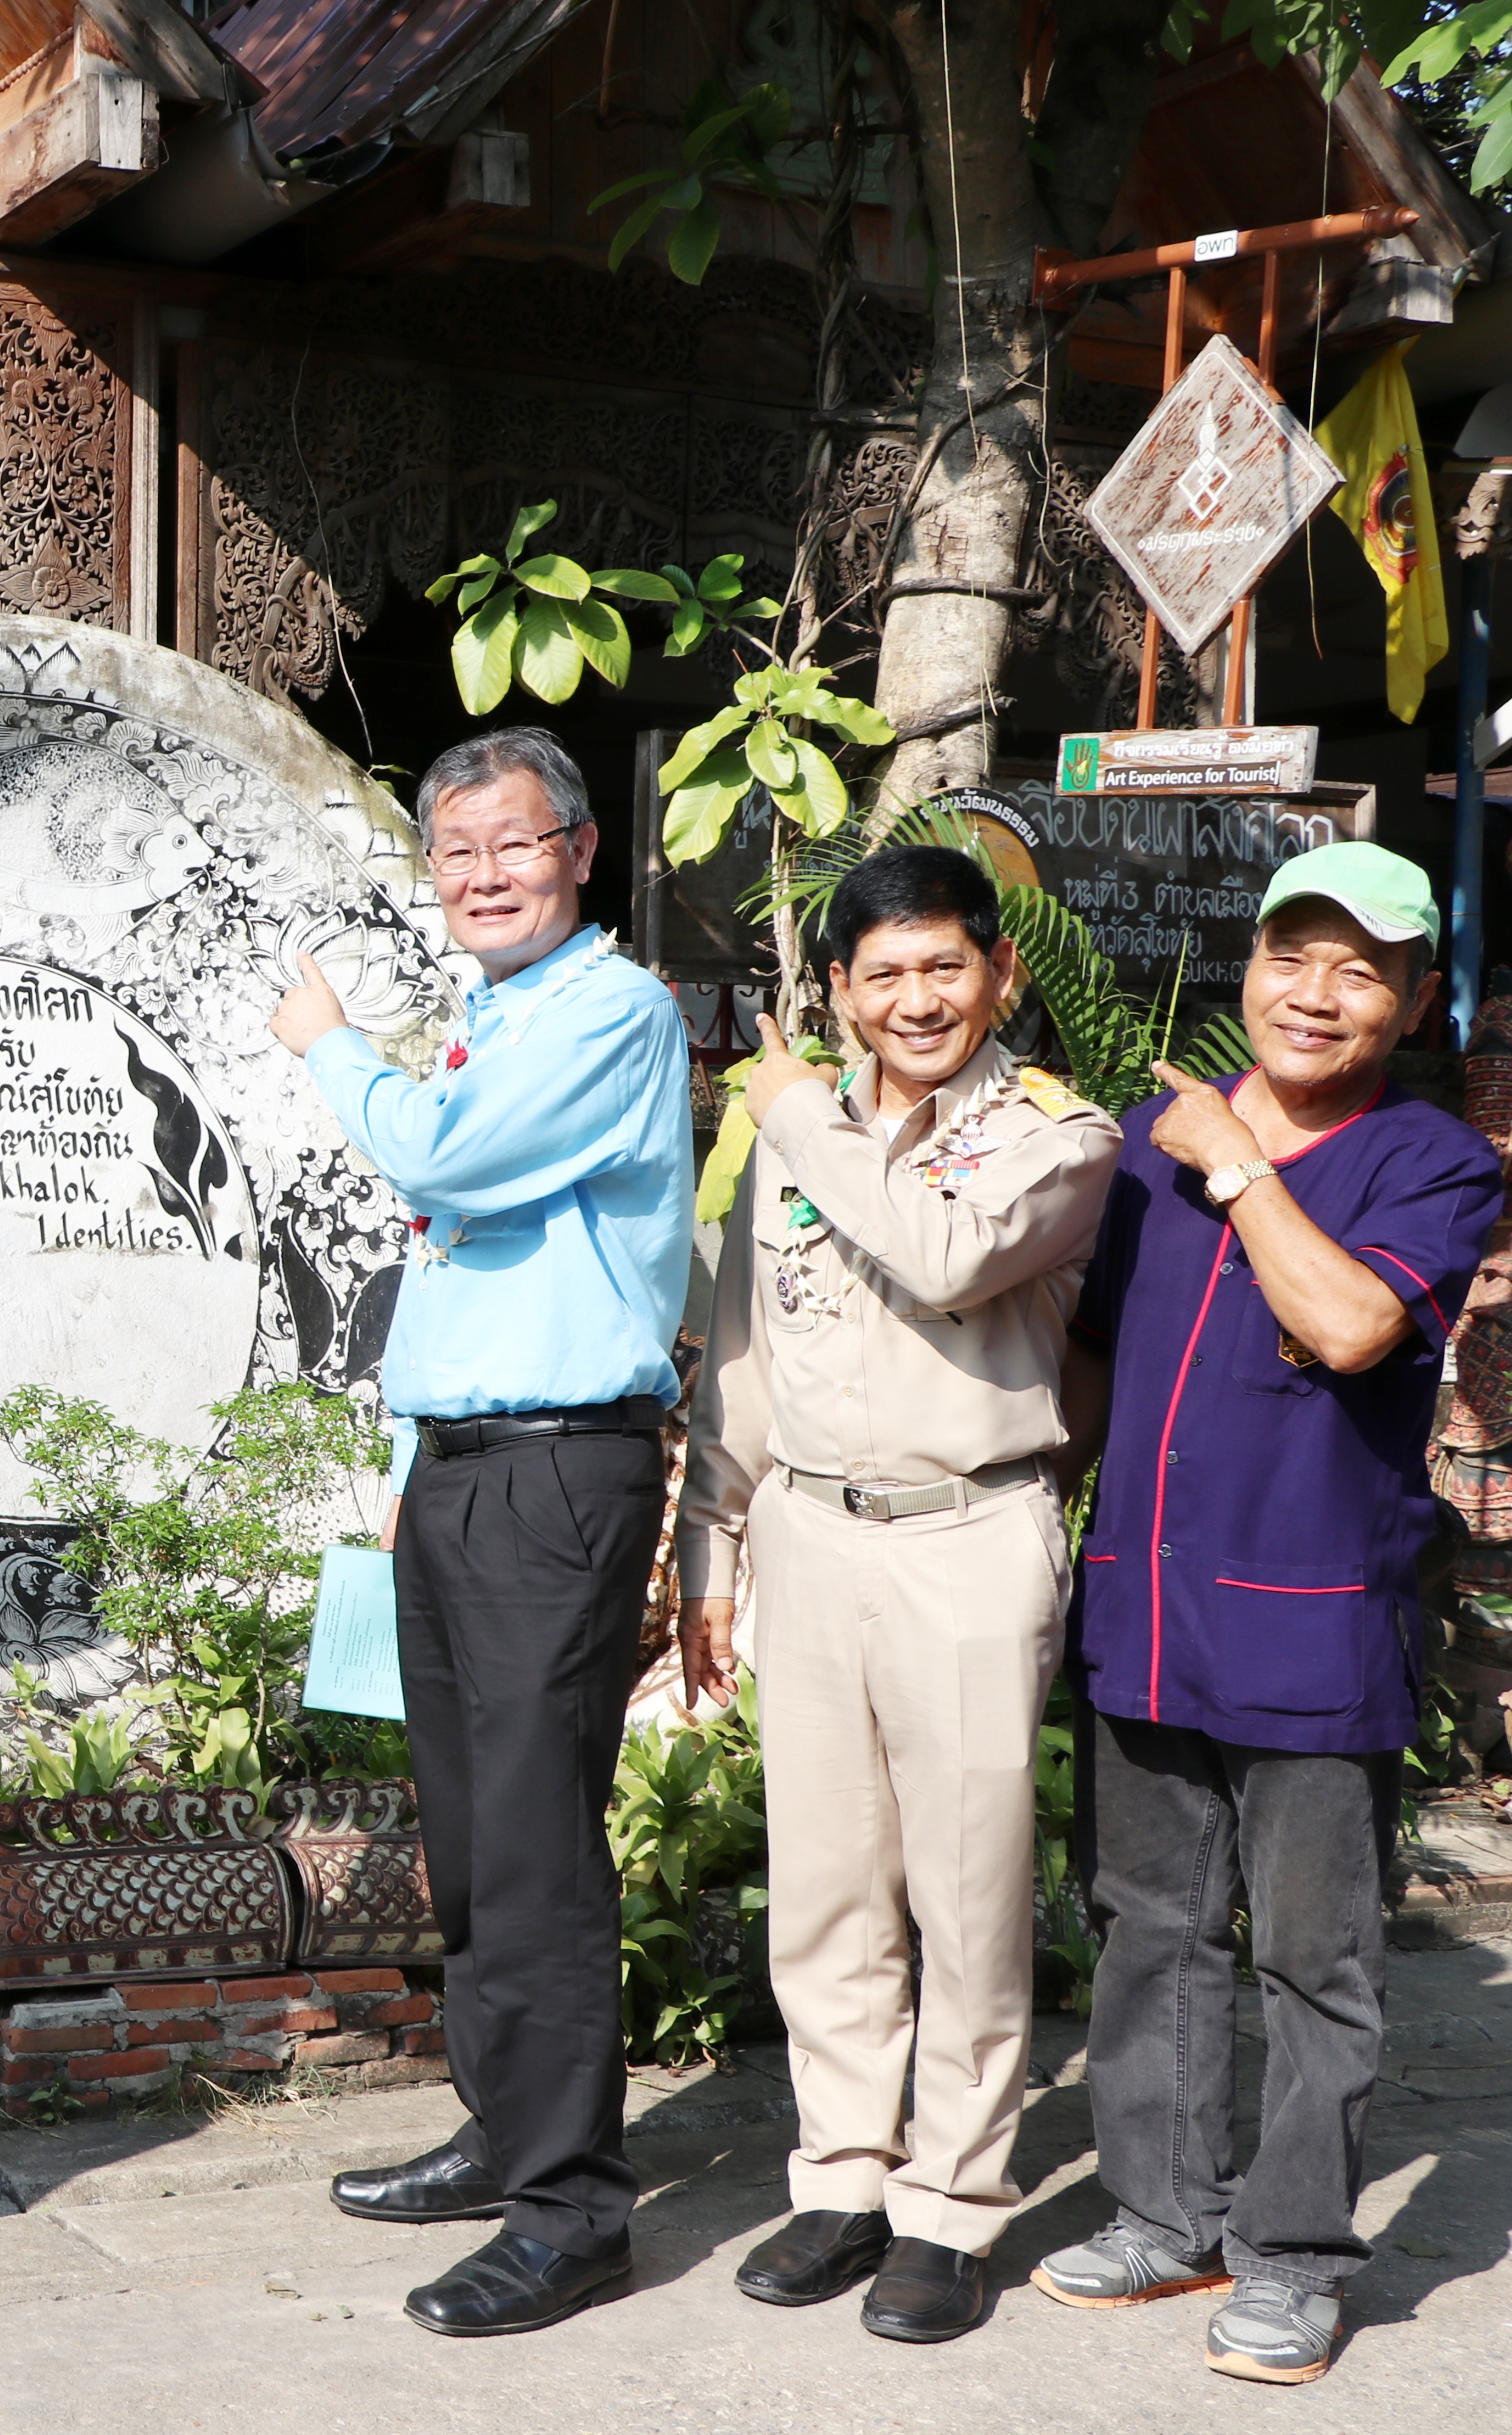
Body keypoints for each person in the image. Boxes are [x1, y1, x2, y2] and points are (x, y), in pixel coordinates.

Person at [1038, 843, 1503, 2384]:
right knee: (1149, 1931)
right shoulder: (1140, 1151)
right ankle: (1163, 2215)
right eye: (1292, 955)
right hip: (1146, 1612)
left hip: (1309, 1623)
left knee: (1317, 1961)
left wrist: (1235, 1164)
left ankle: (1295, 2255)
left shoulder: (1430, 1161)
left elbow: (1355, 1322)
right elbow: (1091, 1358)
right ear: (1248, 965)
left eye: (1360, 967)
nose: (1314, 992)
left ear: (1416, 997)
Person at [265, 724, 691, 2338]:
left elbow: (440, 1162)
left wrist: (327, 1043)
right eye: (456, 855)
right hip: (462, 1465)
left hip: (556, 1470)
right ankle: (510, 2132)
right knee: (467, 1835)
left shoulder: (610, 1009)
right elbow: (450, 1257)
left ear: (581, 851)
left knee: (530, 1846)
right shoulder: (497, 1016)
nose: (486, 877)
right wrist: (401, 1454)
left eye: (516, 846)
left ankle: (572, 2207)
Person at [676, 845, 1118, 2342]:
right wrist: (710, 1549)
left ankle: (950, 2204)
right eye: (884, 974)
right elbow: (741, 1356)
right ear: (844, 993)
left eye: (944, 966)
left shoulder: (1055, 1137)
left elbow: (934, 1256)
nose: (916, 998)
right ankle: (844, 2177)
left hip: (969, 1537)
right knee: (825, 1890)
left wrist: (790, 1100)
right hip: (809, 1536)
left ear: (998, 973)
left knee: (970, 1895)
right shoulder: (804, 1137)